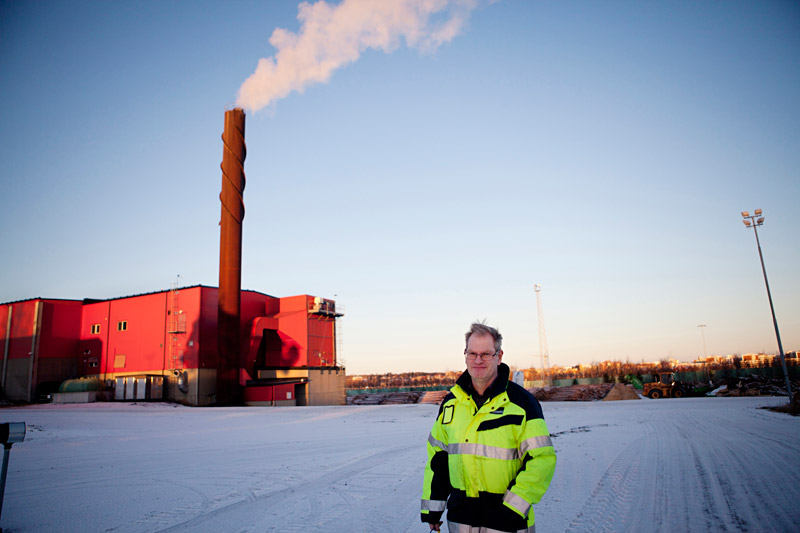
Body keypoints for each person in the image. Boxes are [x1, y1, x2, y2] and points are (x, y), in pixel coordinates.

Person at [421, 322, 556, 532]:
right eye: (472, 353)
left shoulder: (522, 403)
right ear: (465, 354)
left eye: (485, 354)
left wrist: (514, 507)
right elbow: (438, 459)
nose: (478, 360)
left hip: (506, 521)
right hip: (461, 520)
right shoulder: (451, 404)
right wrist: (433, 508)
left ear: (499, 356)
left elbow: (541, 460)